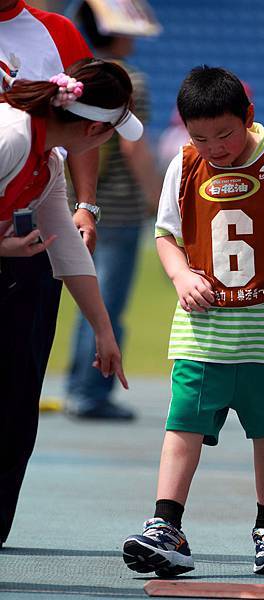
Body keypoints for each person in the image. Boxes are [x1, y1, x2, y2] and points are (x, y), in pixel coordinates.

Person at [122, 65, 264, 577]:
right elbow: (166, 234)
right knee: (182, 427)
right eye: (201, 136)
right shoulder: (186, 162)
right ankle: (165, 523)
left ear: (249, 117)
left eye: (225, 133)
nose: (214, 146)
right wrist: (179, 278)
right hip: (202, 330)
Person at [0, 57, 144, 548]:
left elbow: (65, 242)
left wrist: (103, 332)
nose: (108, 143)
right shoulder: (13, 138)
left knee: (15, 414)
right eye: (110, 132)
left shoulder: (48, 157)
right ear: (90, 127)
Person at [0, 0, 100, 545]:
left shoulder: (56, 31)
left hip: (29, 228)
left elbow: (84, 126)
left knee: (17, 391)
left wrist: (87, 205)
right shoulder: (11, 135)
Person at [64, 0, 161, 420]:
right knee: (106, 305)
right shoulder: (128, 79)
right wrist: (158, 197)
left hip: (80, 205)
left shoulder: (80, 74)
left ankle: (77, 385)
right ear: (117, 32)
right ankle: (91, 393)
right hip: (118, 209)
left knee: (88, 298)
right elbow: (133, 145)